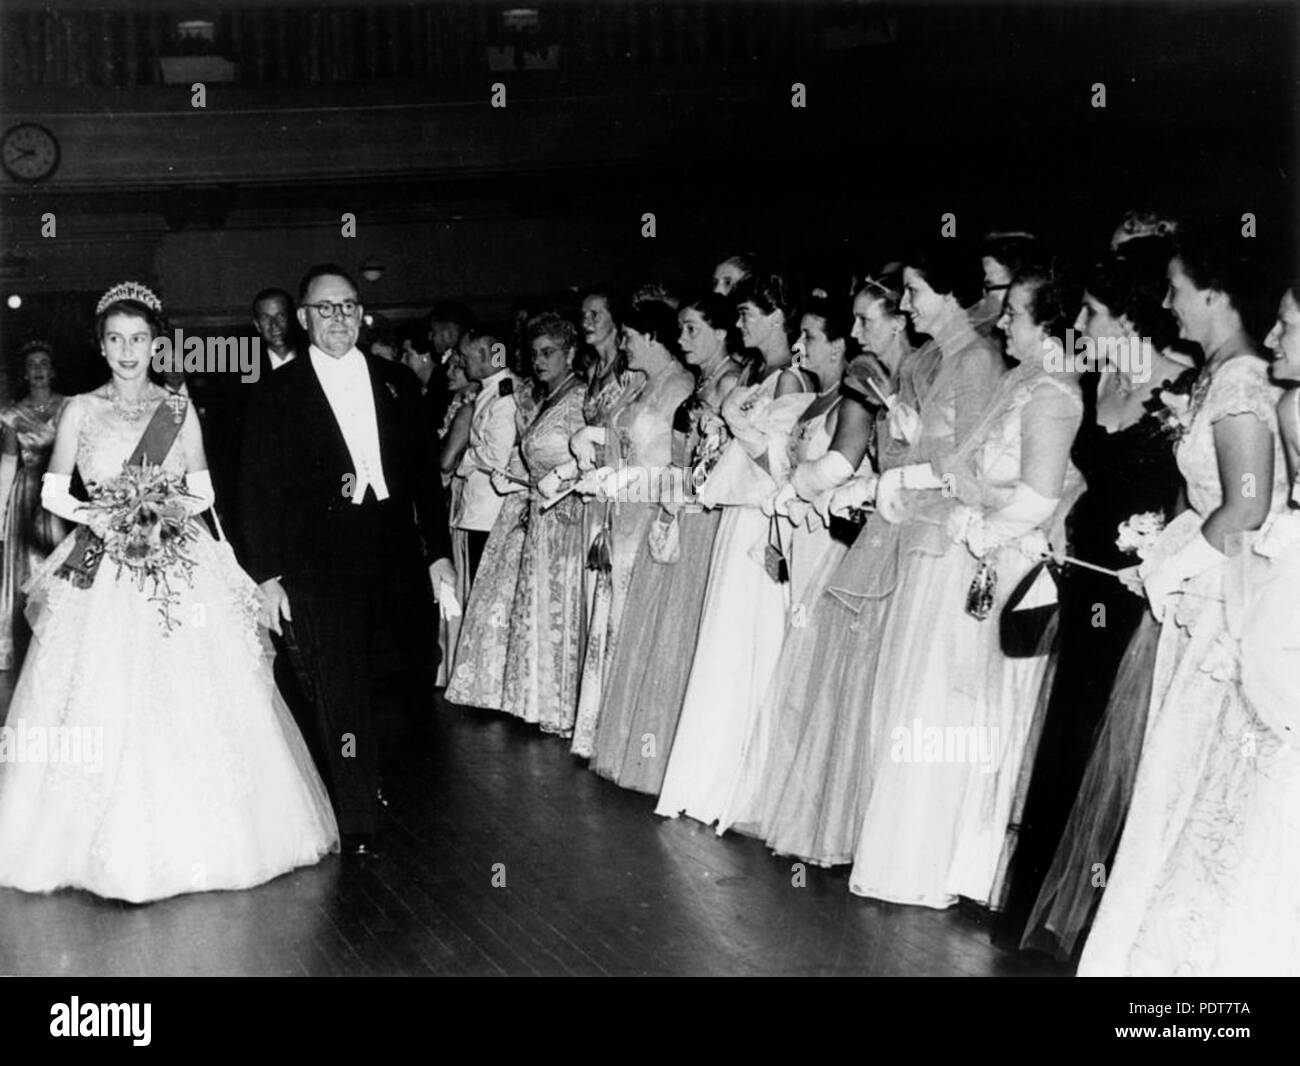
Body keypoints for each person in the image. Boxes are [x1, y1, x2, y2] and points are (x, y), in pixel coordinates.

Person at [0, 282, 337, 902]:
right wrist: (105, 514)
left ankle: (204, 841)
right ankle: (91, 845)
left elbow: (205, 492)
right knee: (100, 692)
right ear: (101, 347)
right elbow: (51, 492)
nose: (129, 351)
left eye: (140, 340)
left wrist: (159, 509)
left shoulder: (177, 410)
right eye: (116, 340)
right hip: (102, 560)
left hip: (175, 560)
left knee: (191, 693)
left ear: (157, 344)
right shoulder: (79, 409)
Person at [1078, 240, 1295, 976]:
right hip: (1202, 591)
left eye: (1175, 289)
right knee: (1172, 774)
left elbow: (1247, 506)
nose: (1166, 304)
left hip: (1226, 602)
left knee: (1194, 774)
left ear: (1215, 294)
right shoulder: (1218, 375)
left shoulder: (1242, 382)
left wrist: (1170, 566)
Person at [1006, 242, 1194, 955]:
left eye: (1091, 313)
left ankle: (1096, 925)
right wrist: (1055, 525)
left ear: (1131, 316)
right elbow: (1084, 476)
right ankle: (1045, 911)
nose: (1079, 327)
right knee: (1067, 738)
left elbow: (1196, 500)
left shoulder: (1181, 389)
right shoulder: (1095, 386)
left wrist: (1159, 554)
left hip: (1136, 593)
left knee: (1115, 751)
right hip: (1083, 575)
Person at [240, 264, 454, 857]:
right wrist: (267, 575)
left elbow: (425, 481)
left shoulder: (397, 383)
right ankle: (356, 812)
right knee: (338, 684)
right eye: (325, 308)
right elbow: (256, 492)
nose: (338, 318)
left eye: (348, 306)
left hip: (392, 550)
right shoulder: (275, 394)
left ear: (363, 314)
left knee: (407, 672)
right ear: (304, 318)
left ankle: (374, 775)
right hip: (319, 558)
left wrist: (437, 554)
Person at [655, 270, 814, 826]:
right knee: (721, 644)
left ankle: (740, 786)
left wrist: (738, 425)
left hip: (760, 521)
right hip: (734, 517)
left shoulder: (792, 382)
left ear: (776, 317)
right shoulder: (756, 374)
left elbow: (781, 465)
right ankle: (707, 778)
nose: (739, 323)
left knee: (749, 642)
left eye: (746, 314)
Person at [589, 293, 741, 791]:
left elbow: (697, 469)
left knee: (671, 634)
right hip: (656, 511)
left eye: (692, 328)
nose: (682, 339)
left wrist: (640, 486)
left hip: (690, 516)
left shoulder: (705, 384)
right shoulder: (687, 384)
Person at [569, 300, 694, 756]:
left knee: (633, 620)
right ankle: (607, 731)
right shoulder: (642, 384)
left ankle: (631, 737)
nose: (623, 345)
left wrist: (626, 478)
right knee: (611, 612)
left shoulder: (679, 385)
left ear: (652, 337)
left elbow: (677, 465)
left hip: (647, 514)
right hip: (620, 515)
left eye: (629, 337)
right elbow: (625, 436)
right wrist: (595, 444)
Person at [498, 313, 589, 733]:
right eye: (535, 354)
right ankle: (538, 701)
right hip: (539, 514)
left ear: (571, 353)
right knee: (538, 607)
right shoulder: (544, 400)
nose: (540, 360)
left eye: (549, 352)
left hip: (567, 517)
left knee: (560, 608)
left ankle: (561, 707)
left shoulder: (580, 398)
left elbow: (592, 457)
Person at [0, 342, 68, 670]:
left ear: (52, 371)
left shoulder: (70, 407)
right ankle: (27, 649)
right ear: (25, 374)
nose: (38, 369)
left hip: (60, 493)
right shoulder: (11, 415)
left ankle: (61, 644)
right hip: (27, 498)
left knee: (59, 568)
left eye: (44, 363)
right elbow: (8, 461)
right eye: (32, 365)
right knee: (27, 569)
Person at [451, 330, 519, 582]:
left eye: (466, 356)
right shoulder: (490, 390)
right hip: (479, 510)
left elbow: (495, 455)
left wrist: (464, 461)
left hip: (488, 512)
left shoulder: (504, 395)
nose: (462, 362)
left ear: (482, 354)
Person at [434, 349, 480, 687]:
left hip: (458, 500)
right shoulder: (456, 405)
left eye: (459, 365)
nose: (451, 370)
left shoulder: (467, 408)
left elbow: (446, 461)